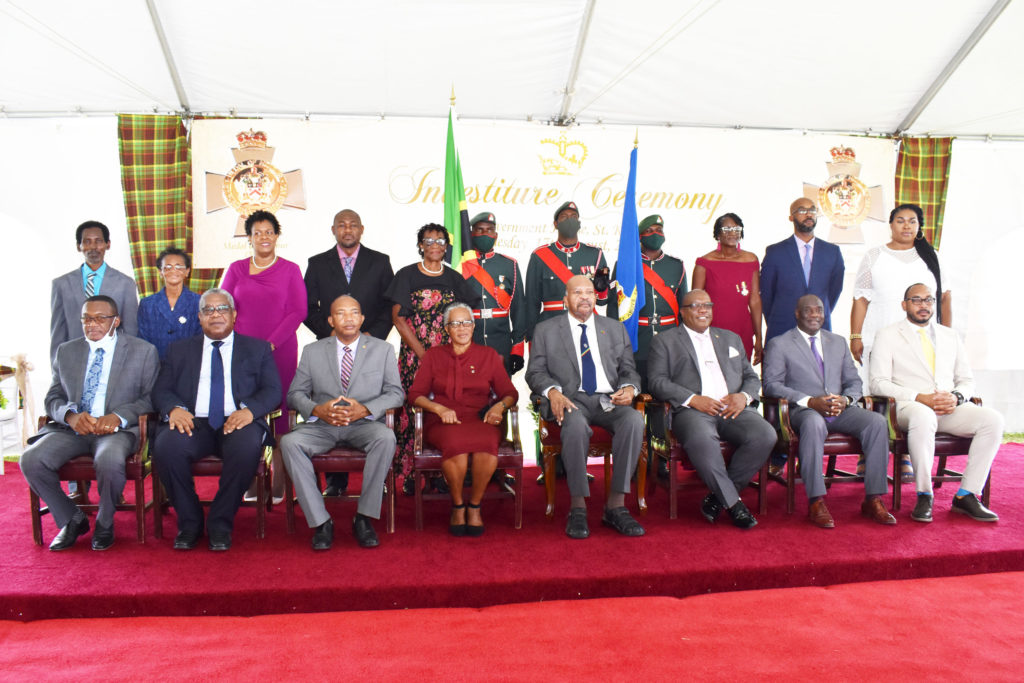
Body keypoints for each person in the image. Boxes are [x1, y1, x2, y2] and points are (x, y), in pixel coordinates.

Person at [22, 295, 158, 551]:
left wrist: (117, 416)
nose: (91, 324)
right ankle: (72, 519)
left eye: (100, 318)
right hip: (73, 430)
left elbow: (150, 399)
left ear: (116, 321)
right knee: (31, 459)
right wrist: (70, 416)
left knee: (109, 459)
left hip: (116, 431)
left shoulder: (143, 351)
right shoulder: (67, 351)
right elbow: (53, 397)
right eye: (86, 318)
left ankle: (105, 523)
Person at [151, 288, 282, 551]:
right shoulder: (178, 350)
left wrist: (249, 411)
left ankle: (220, 523)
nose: (215, 314)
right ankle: (190, 522)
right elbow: (161, 390)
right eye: (208, 310)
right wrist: (174, 409)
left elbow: (273, 391)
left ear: (233, 315)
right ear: (199, 318)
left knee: (246, 448)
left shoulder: (257, 349)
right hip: (193, 421)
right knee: (166, 447)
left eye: (222, 309)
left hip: (238, 420)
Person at [525, 275, 646, 540]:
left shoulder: (615, 328)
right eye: (577, 293)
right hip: (571, 400)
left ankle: (615, 505)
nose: (584, 297)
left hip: (608, 400)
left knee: (634, 421)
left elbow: (628, 369)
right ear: (565, 299)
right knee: (575, 425)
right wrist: (552, 392)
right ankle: (578, 507)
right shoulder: (546, 330)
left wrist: (629, 388)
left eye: (589, 292)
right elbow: (534, 372)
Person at [869, 283, 1002, 523]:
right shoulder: (887, 335)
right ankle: (924, 494)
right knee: (924, 415)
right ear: (904, 305)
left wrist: (956, 397)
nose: (924, 305)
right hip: (909, 407)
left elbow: (966, 380)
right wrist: (919, 397)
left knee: (992, 420)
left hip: (947, 408)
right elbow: (878, 383)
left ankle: (966, 495)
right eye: (917, 300)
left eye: (929, 300)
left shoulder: (950, 336)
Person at [280, 296, 404, 550]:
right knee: (290, 443)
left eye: (354, 313)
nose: (348, 318)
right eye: (341, 313)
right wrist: (318, 410)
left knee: (386, 437)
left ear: (362, 318)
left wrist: (365, 410)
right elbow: (294, 394)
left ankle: (364, 517)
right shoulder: (312, 351)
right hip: (323, 425)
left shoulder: (382, 349)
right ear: (330, 320)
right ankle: (321, 521)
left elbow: (395, 393)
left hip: (364, 425)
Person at [762, 295, 895, 527]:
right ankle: (816, 501)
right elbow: (771, 384)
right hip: (803, 411)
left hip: (839, 409)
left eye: (819, 310)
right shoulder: (779, 343)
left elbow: (853, 381)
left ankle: (873, 498)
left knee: (877, 422)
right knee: (814, 423)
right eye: (809, 310)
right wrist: (810, 401)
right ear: (797, 313)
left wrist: (845, 399)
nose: (815, 314)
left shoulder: (838, 342)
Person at [648, 289, 776, 529]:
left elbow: (751, 376)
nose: (703, 310)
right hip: (693, 411)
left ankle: (718, 498)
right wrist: (692, 399)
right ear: (682, 312)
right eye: (696, 306)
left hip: (733, 408)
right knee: (703, 440)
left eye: (707, 305)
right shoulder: (665, 341)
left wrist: (743, 396)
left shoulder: (730, 338)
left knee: (765, 434)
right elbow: (657, 381)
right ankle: (734, 505)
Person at [303, 208, 395, 496]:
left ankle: (376, 479)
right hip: (332, 346)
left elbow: (389, 305)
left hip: (368, 346)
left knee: (366, 403)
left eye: (352, 224)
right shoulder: (317, 263)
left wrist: (371, 336)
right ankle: (335, 481)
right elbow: (308, 307)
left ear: (361, 229)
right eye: (341, 225)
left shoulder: (380, 261)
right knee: (333, 401)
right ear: (333, 230)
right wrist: (330, 333)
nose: (347, 229)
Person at [385, 224, 481, 494]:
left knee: (445, 410)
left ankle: (441, 473)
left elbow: (464, 317)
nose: (435, 245)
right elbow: (398, 319)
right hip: (416, 357)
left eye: (440, 240)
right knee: (413, 410)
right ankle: (412, 473)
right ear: (420, 245)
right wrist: (424, 355)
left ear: (446, 247)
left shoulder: (453, 277)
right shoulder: (406, 275)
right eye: (429, 240)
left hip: (450, 358)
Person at [408, 302, 519, 536]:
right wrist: (438, 409)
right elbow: (415, 395)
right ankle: (458, 505)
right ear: (446, 328)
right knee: (455, 444)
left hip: (482, 419)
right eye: (456, 323)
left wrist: (499, 407)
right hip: (442, 420)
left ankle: (475, 505)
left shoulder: (488, 355)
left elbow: (510, 393)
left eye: (467, 322)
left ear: (474, 325)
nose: (462, 328)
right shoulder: (434, 356)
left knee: (487, 443)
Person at [220, 210, 306, 500]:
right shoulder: (236, 269)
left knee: (280, 416)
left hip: (279, 351)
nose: (264, 237)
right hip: (242, 354)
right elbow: (225, 308)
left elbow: (298, 311)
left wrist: (270, 344)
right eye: (257, 233)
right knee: (244, 410)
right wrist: (244, 346)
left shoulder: (291, 269)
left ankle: (280, 480)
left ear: (277, 235)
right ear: (249, 238)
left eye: (269, 231)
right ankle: (251, 480)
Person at [851, 203, 951, 366]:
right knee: (881, 380)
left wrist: (947, 338)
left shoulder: (932, 257)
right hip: (881, 335)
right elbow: (860, 299)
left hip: (924, 338)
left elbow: (945, 297)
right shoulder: (874, 256)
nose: (906, 226)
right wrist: (855, 336)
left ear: (919, 226)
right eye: (900, 221)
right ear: (891, 225)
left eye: (912, 221)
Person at [608, 214, 687, 389]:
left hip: (669, 339)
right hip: (637, 339)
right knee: (636, 389)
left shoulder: (676, 265)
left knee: (668, 391)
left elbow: (684, 307)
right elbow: (614, 306)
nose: (655, 234)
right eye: (649, 231)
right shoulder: (625, 265)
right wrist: (616, 340)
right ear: (640, 237)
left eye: (659, 230)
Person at [51, 220, 139, 367]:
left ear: (107, 244)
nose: (93, 247)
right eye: (87, 241)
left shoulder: (125, 284)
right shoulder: (61, 284)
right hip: (74, 362)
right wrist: (57, 370)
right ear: (79, 246)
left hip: (112, 364)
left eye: (98, 241)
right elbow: (57, 334)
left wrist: (129, 367)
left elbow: (131, 332)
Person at [760, 198, 844, 344]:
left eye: (812, 210)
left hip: (819, 330)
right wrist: (777, 317)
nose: (808, 214)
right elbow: (767, 295)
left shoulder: (832, 252)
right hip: (782, 329)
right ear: (791, 217)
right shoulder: (775, 252)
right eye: (802, 210)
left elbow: (834, 291)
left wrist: (817, 313)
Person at [524, 201, 610, 338]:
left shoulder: (595, 254)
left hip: (585, 326)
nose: (570, 220)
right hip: (550, 328)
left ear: (579, 224)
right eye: (564, 217)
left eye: (574, 217)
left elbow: (602, 301)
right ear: (555, 224)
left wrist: (601, 289)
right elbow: (531, 301)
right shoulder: (540, 255)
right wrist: (531, 334)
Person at [460, 212, 527, 376]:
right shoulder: (461, 264)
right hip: (468, 341)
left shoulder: (509, 264)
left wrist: (517, 349)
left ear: (496, 235)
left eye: (489, 230)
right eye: (479, 230)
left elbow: (519, 309)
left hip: (500, 344)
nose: (485, 234)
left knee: (501, 390)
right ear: (471, 234)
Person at [692, 213, 762, 364]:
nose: (732, 232)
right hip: (712, 331)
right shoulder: (704, 263)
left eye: (736, 228)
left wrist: (759, 337)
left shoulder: (751, 260)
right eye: (727, 229)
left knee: (741, 373)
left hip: (742, 331)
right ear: (718, 234)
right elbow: (695, 304)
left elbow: (755, 300)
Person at [137, 247, 202, 360]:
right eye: (168, 267)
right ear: (160, 272)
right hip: (156, 364)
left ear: (187, 271)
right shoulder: (147, 304)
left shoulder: (199, 302)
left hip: (188, 363)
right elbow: (143, 341)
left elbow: (200, 339)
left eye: (179, 267)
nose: (173, 271)